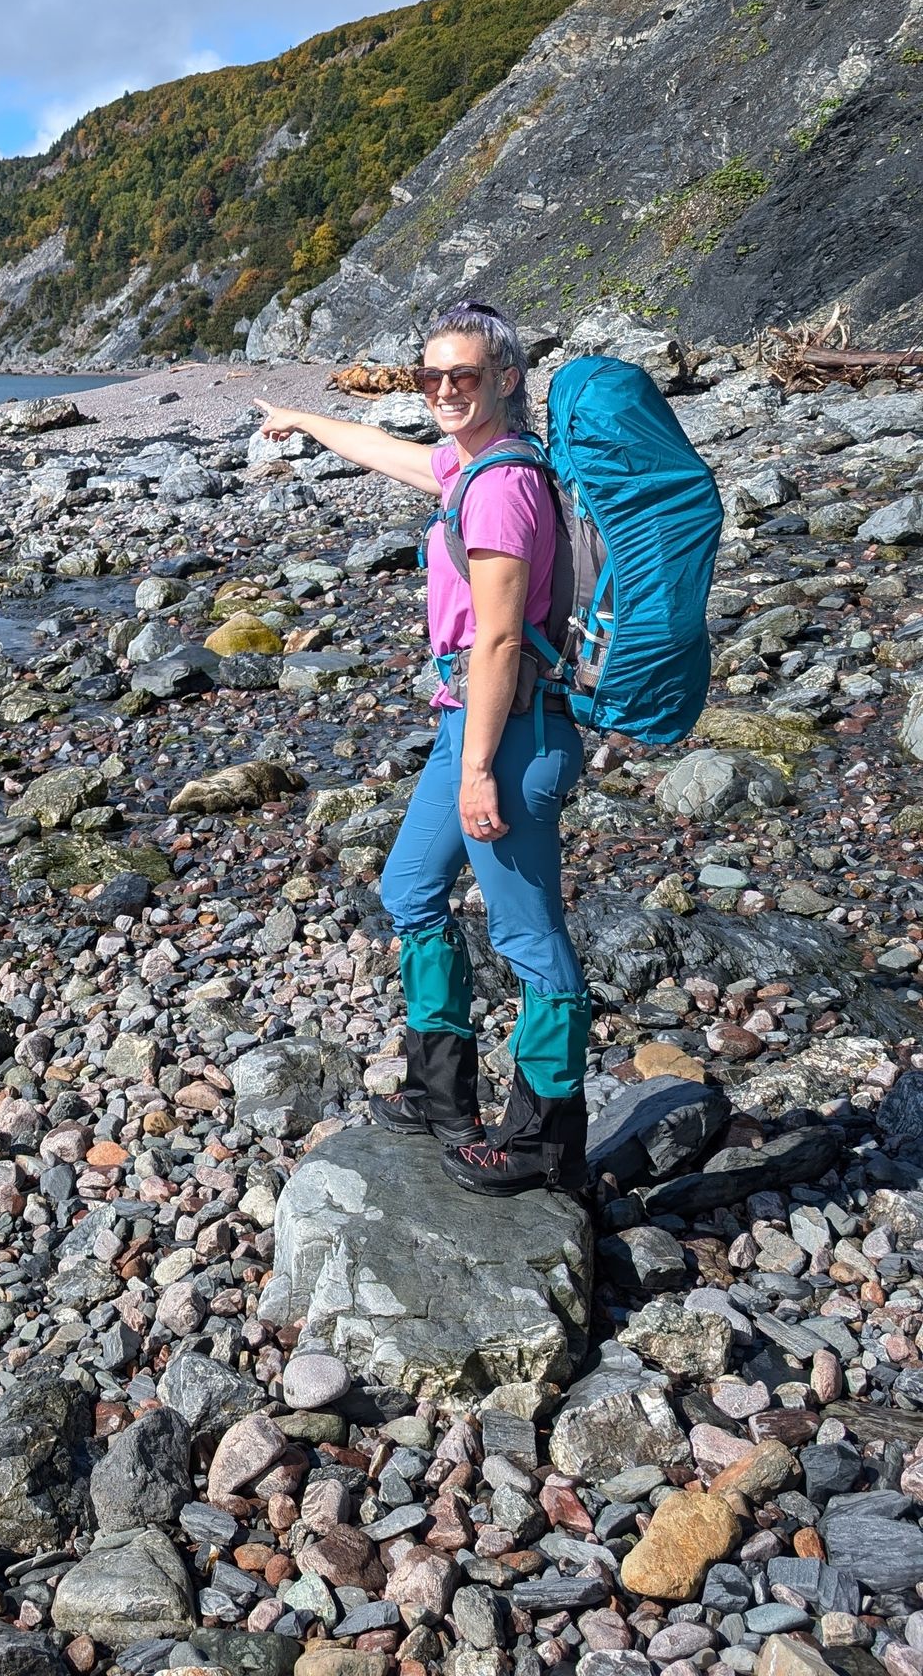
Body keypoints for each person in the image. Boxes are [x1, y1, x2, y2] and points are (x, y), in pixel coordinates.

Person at [251, 299, 591, 1195]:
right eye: (428, 375)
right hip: (465, 724)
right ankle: (441, 1093)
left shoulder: (505, 487)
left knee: (527, 932)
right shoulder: (464, 466)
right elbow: (393, 452)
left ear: (507, 380)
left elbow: (501, 640)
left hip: (514, 733)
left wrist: (478, 768)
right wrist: (300, 419)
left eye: (463, 376)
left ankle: (545, 1138)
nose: (443, 389)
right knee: (409, 889)